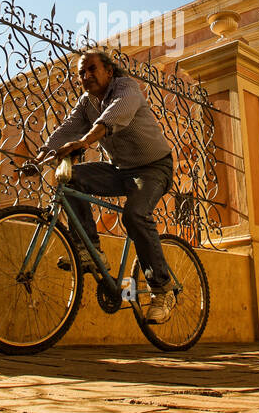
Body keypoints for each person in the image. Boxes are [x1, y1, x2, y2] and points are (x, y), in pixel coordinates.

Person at [36, 49, 175, 323]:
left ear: (109, 71)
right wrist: (40, 156)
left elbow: (116, 113)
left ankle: (162, 290)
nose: (86, 77)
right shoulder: (86, 102)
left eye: (91, 69)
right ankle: (89, 250)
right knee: (70, 176)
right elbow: (67, 128)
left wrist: (85, 141)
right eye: (81, 73)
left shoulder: (126, 87)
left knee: (134, 215)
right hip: (120, 170)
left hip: (154, 167)